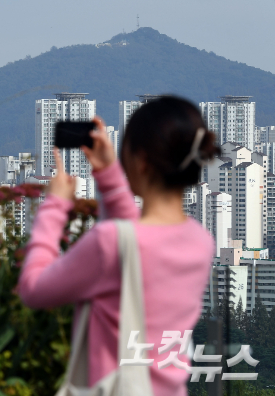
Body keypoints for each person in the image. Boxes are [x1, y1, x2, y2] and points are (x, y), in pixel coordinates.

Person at [17, 96, 220, 396]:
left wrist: (55, 205)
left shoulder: (108, 242)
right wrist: (109, 174)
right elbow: (136, 243)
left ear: (140, 162)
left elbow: (33, 289)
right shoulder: (201, 242)